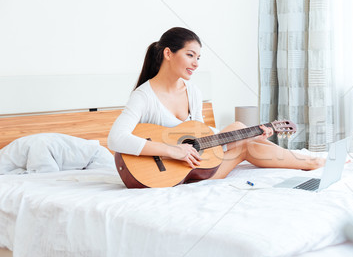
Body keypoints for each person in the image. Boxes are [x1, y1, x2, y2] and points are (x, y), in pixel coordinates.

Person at [107, 27, 324, 179]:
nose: (196, 63)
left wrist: (248, 132)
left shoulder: (192, 91)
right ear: (168, 53)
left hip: (195, 164)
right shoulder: (144, 96)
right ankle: (309, 162)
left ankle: (306, 160)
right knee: (245, 147)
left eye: (198, 58)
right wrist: (173, 151)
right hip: (170, 172)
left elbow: (200, 135)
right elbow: (116, 138)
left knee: (240, 129)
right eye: (190, 55)